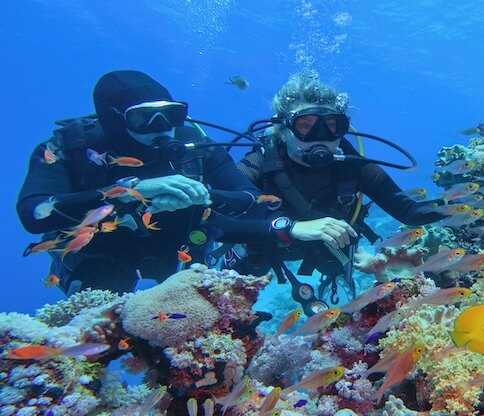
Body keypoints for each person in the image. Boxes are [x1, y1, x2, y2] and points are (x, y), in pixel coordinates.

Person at [17, 70, 271, 294]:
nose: (161, 127)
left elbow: (253, 201)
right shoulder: (72, 147)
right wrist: (127, 192)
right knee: (104, 316)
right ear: (114, 118)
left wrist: (201, 195)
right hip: (101, 256)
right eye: (142, 118)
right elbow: (32, 213)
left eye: (171, 114)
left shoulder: (195, 145)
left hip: (179, 253)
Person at [233, 72, 445, 315]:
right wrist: (290, 227)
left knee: (334, 264)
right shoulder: (257, 164)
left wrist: (465, 203)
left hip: (327, 248)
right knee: (242, 273)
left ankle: (333, 283)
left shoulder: (352, 166)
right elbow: (223, 218)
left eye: (331, 126)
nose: (320, 138)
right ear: (282, 129)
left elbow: (409, 212)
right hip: (268, 245)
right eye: (305, 126)